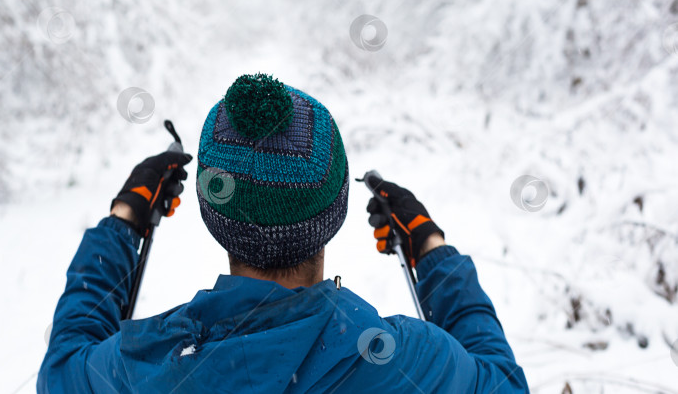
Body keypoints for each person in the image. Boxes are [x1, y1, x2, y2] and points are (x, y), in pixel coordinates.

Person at [38, 73, 529, 393]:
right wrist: (430, 249)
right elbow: (504, 383)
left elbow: (61, 370)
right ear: (333, 211)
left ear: (213, 217)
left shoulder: (143, 365)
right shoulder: (408, 361)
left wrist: (124, 222)